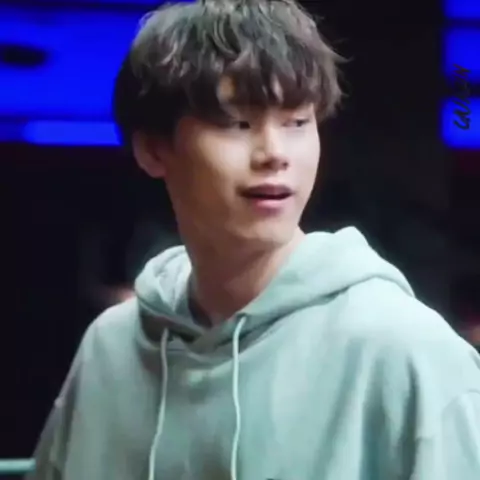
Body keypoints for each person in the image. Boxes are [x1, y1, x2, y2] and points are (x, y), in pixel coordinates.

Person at [28, 0, 480, 479]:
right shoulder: (112, 347)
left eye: (297, 122)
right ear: (154, 149)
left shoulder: (406, 350)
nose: (274, 153)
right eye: (236, 123)